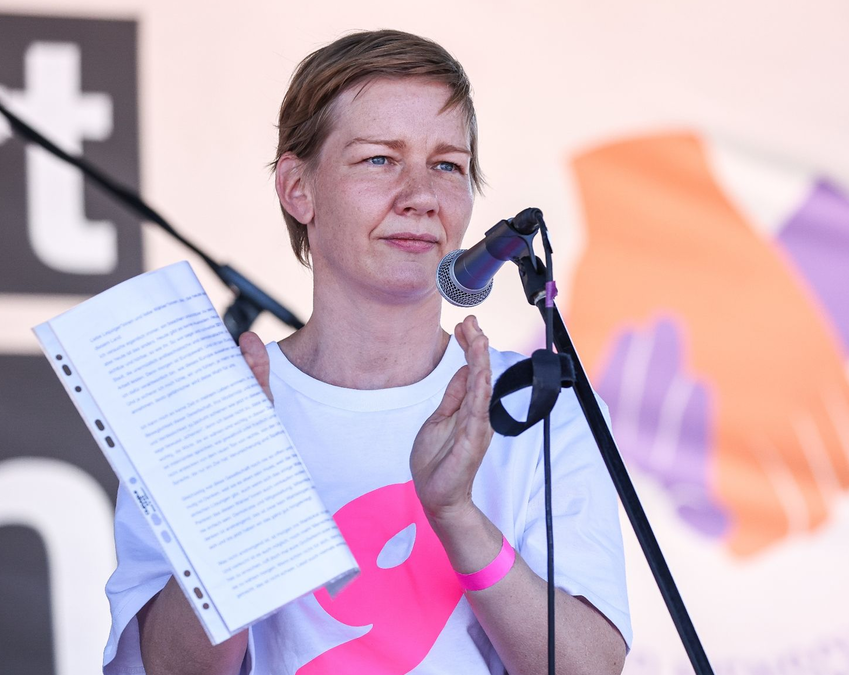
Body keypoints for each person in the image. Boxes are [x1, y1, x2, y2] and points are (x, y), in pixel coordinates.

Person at [102, 29, 630, 675]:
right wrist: (238, 484)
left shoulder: (541, 403)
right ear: (298, 189)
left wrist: (457, 516)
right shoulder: (213, 405)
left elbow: (587, 669)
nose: (421, 195)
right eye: (380, 159)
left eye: (447, 165)